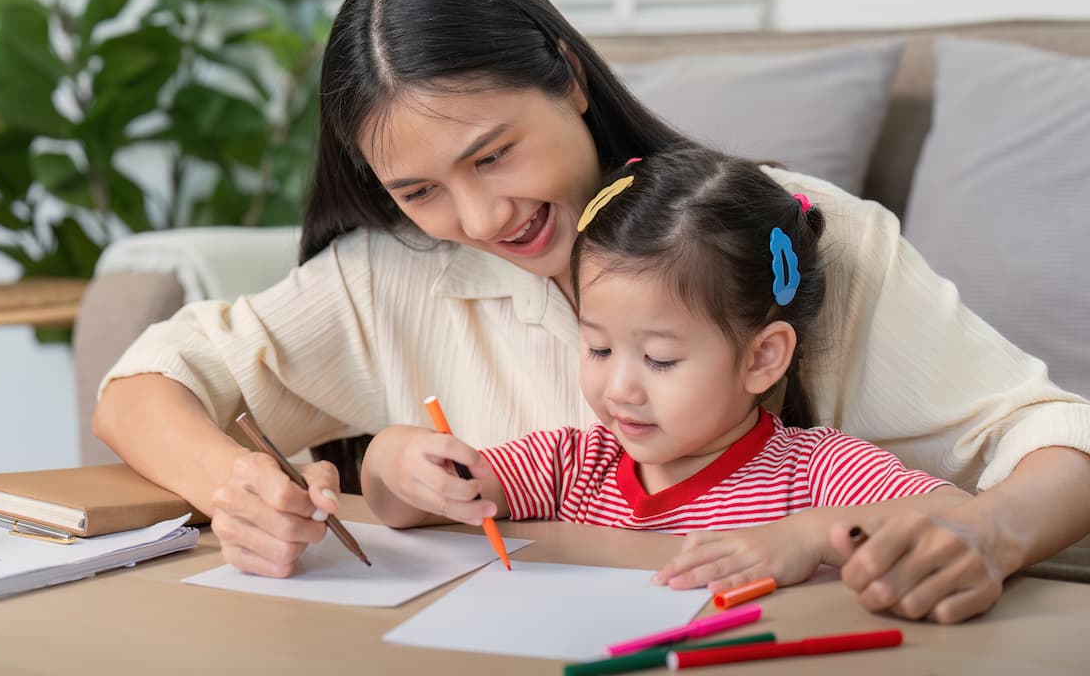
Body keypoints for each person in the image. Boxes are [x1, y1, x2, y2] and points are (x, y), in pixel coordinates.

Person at [93, 0, 1090, 622]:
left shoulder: (793, 234)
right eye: (419, 190)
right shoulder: (395, 274)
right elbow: (146, 384)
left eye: (494, 155)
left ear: (569, 79)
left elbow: (1049, 436)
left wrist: (991, 533)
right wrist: (242, 490)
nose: (481, 220)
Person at [361, 148, 968, 594]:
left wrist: (808, 536)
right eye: (598, 349)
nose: (620, 388)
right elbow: (427, 501)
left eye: (659, 359)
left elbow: (958, 518)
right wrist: (393, 460)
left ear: (761, 357)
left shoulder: (816, 473)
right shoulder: (573, 466)